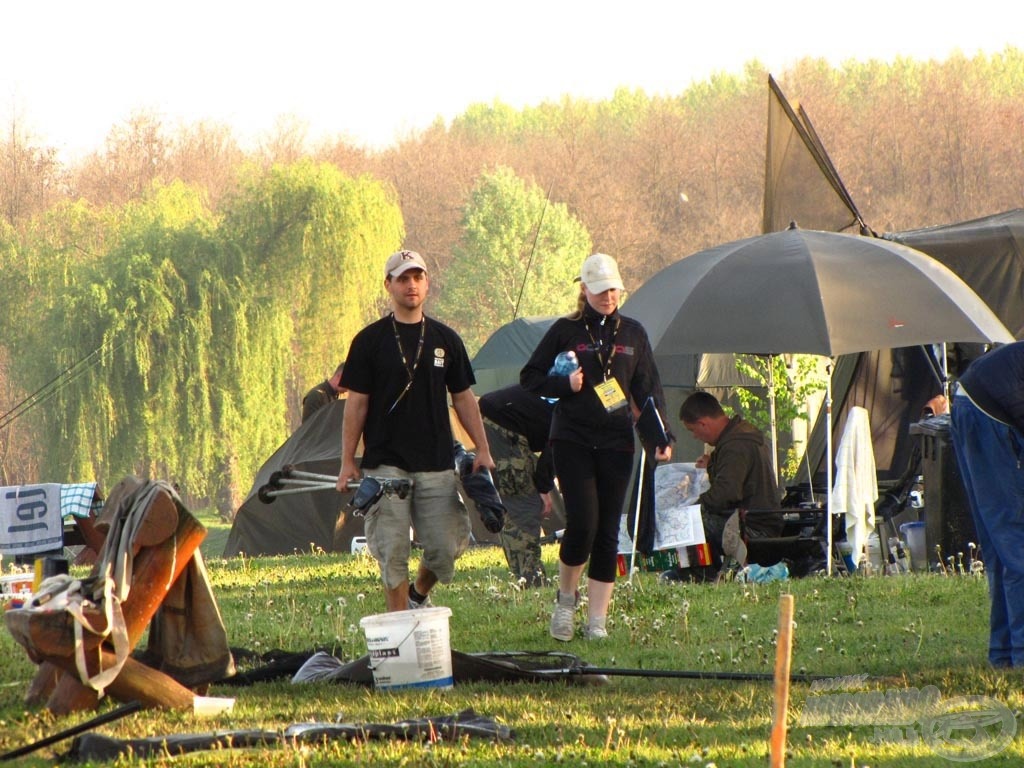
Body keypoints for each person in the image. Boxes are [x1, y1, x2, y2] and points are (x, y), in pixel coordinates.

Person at [521, 252, 672, 641]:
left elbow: (648, 390)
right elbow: (530, 378)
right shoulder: (564, 330)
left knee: (608, 530)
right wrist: (563, 386)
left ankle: (598, 622)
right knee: (583, 523)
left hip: (616, 440)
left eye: (614, 289)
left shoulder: (634, 334)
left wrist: (660, 438)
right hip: (572, 438)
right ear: (584, 289)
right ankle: (566, 602)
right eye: (601, 290)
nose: (608, 297)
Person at [335, 249, 494, 612]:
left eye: (417, 277)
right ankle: (398, 624)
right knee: (392, 551)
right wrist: (348, 460)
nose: (411, 285)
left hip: (436, 461)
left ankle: (417, 597)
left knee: (443, 548)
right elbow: (356, 404)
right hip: (385, 462)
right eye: (403, 278)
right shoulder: (368, 341)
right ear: (388, 285)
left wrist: (482, 448)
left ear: (427, 283)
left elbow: (464, 398)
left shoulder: (446, 338)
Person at [950, 341, 1024, 669]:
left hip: (970, 400)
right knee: (1015, 544)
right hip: (989, 411)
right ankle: (1019, 657)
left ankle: (1004, 656)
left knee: (999, 547)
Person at [667, 391, 780, 581]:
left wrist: (693, 506)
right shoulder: (740, 437)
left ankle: (700, 574)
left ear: (703, 423)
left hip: (752, 527)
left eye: (693, 430)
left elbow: (726, 493)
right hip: (759, 521)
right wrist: (711, 466)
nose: (695, 436)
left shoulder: (735, 445)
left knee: (689, 520)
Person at [478, 384, 559, 587]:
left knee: (523, 496)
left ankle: (527, 573)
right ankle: (529, 577)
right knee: (524, 500)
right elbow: (556, 447)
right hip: (504, 424)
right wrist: (543, 487)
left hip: (507, 419)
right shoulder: (583, 414)